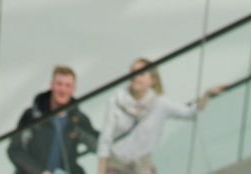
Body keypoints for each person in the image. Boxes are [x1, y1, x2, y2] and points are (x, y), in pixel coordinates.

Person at [95, 59, 225, 174]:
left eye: (141, 73)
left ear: (152, 80)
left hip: (142, 164)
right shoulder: (116, 101)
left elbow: (190, 113)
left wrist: (207, 95)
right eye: (133, 72)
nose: (135, 77)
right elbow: (105, 139)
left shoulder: (160, 103)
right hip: (117, 163)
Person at [9, 64, 100, 174]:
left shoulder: (78, 119)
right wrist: (39, 172)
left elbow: (97, 143)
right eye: (59, 84)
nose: (63, 89)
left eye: (68, 85)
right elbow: (15, 150)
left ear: (73, 89)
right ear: (51, 86)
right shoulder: (33, 115)